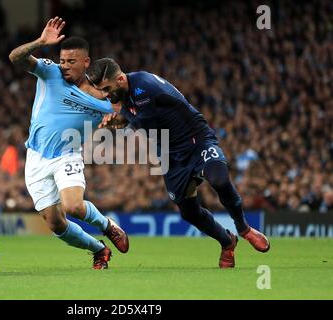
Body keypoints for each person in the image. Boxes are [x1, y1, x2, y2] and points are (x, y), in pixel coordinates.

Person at [87, 58, 270, 268]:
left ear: (120, 79)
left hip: (196, 141)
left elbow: (139, 120)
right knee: (188, 212)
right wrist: (119, 121)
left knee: (219, 179)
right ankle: (227, 242)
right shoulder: (124, 94)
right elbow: (133, 119)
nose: (105, 94)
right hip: (170, 155)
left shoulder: (145, 88)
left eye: (107, 88)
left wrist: (118, 121)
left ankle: (244, 228)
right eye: (102, 90)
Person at [8, 18, 129, 270]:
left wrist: (113, 124)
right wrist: (40, 42)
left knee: (73, 205)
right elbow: (15, 57)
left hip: (67, 154)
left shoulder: (104, 99)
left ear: (86, 63)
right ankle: (99, 249)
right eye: (62, 60)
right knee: (55, 223)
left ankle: (108, 227)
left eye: (71, 62)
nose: (64, 66)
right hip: (36, 156)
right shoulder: (49, 72)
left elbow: (122, 122)